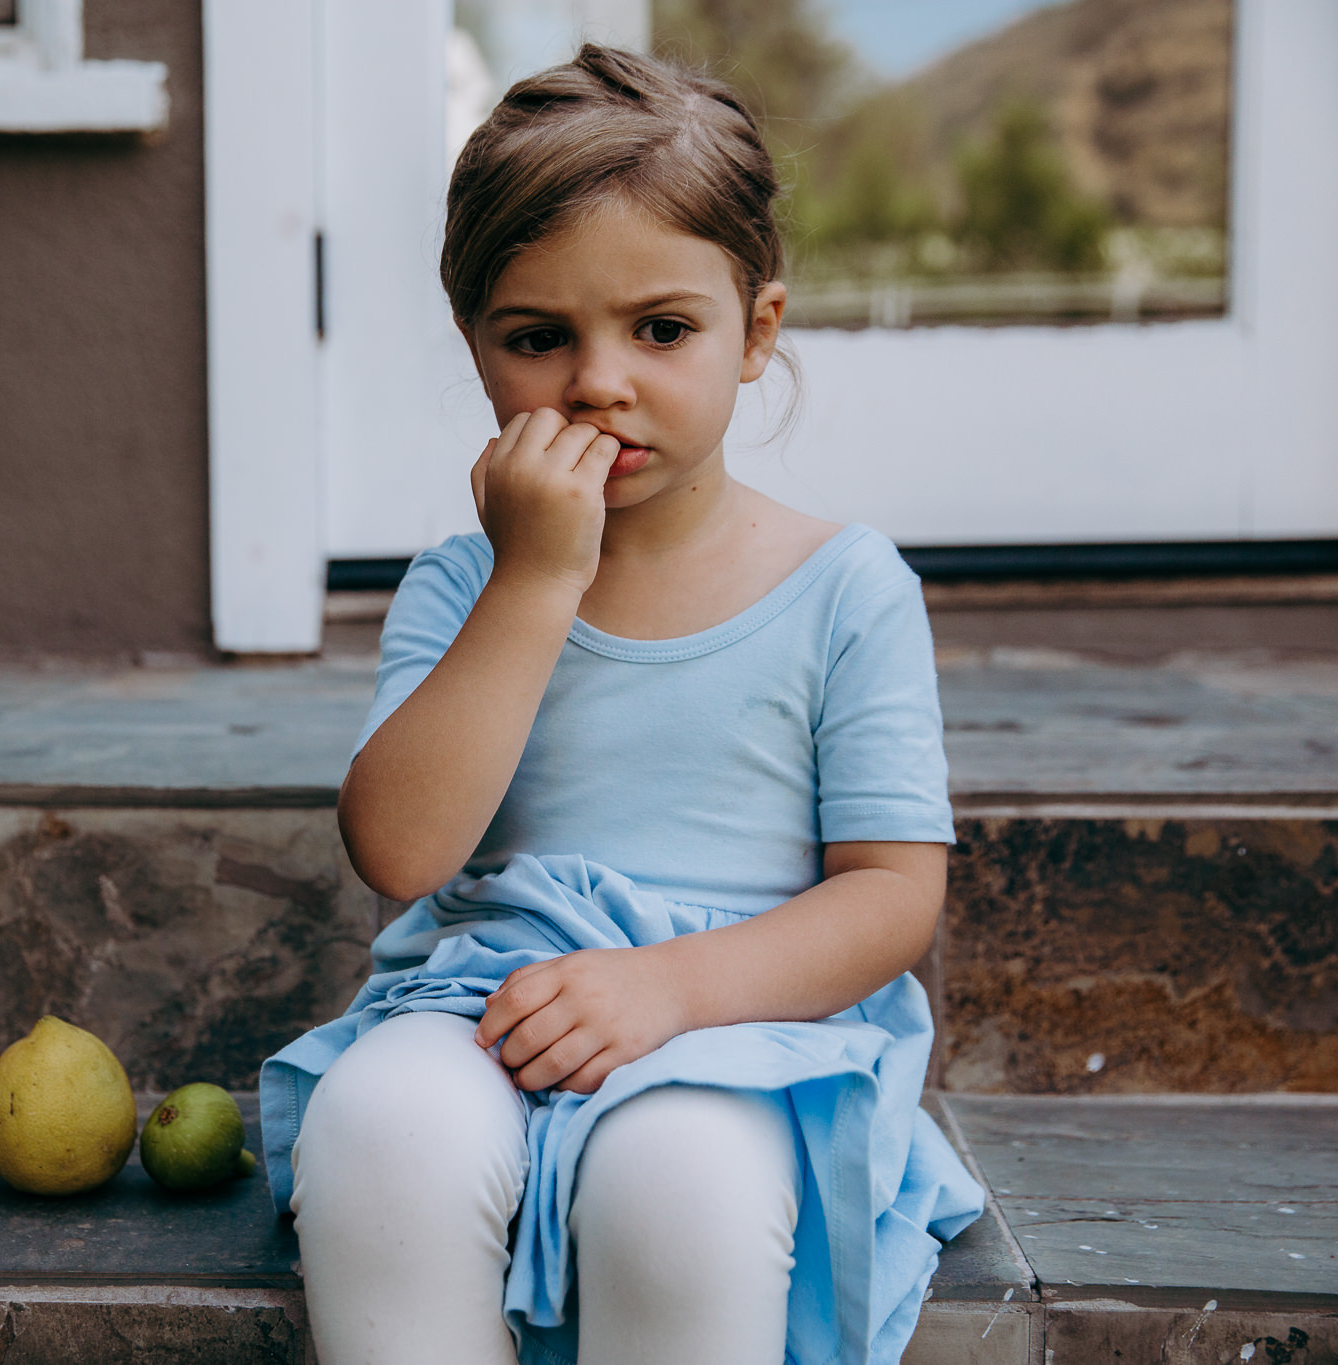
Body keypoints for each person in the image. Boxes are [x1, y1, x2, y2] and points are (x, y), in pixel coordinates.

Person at [260, 44, 984, 1365]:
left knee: (683, 1182)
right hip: (487, 998)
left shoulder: (843, 586)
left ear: (756, 333)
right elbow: (403, 854)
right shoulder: (466, 583)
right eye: (539, 338)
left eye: (661, 329)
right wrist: (536, 579)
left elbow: (890, 892)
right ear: (476, 346)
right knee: (376, 1129)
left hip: (749, 1019)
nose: (599, 381)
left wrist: (673, 985)